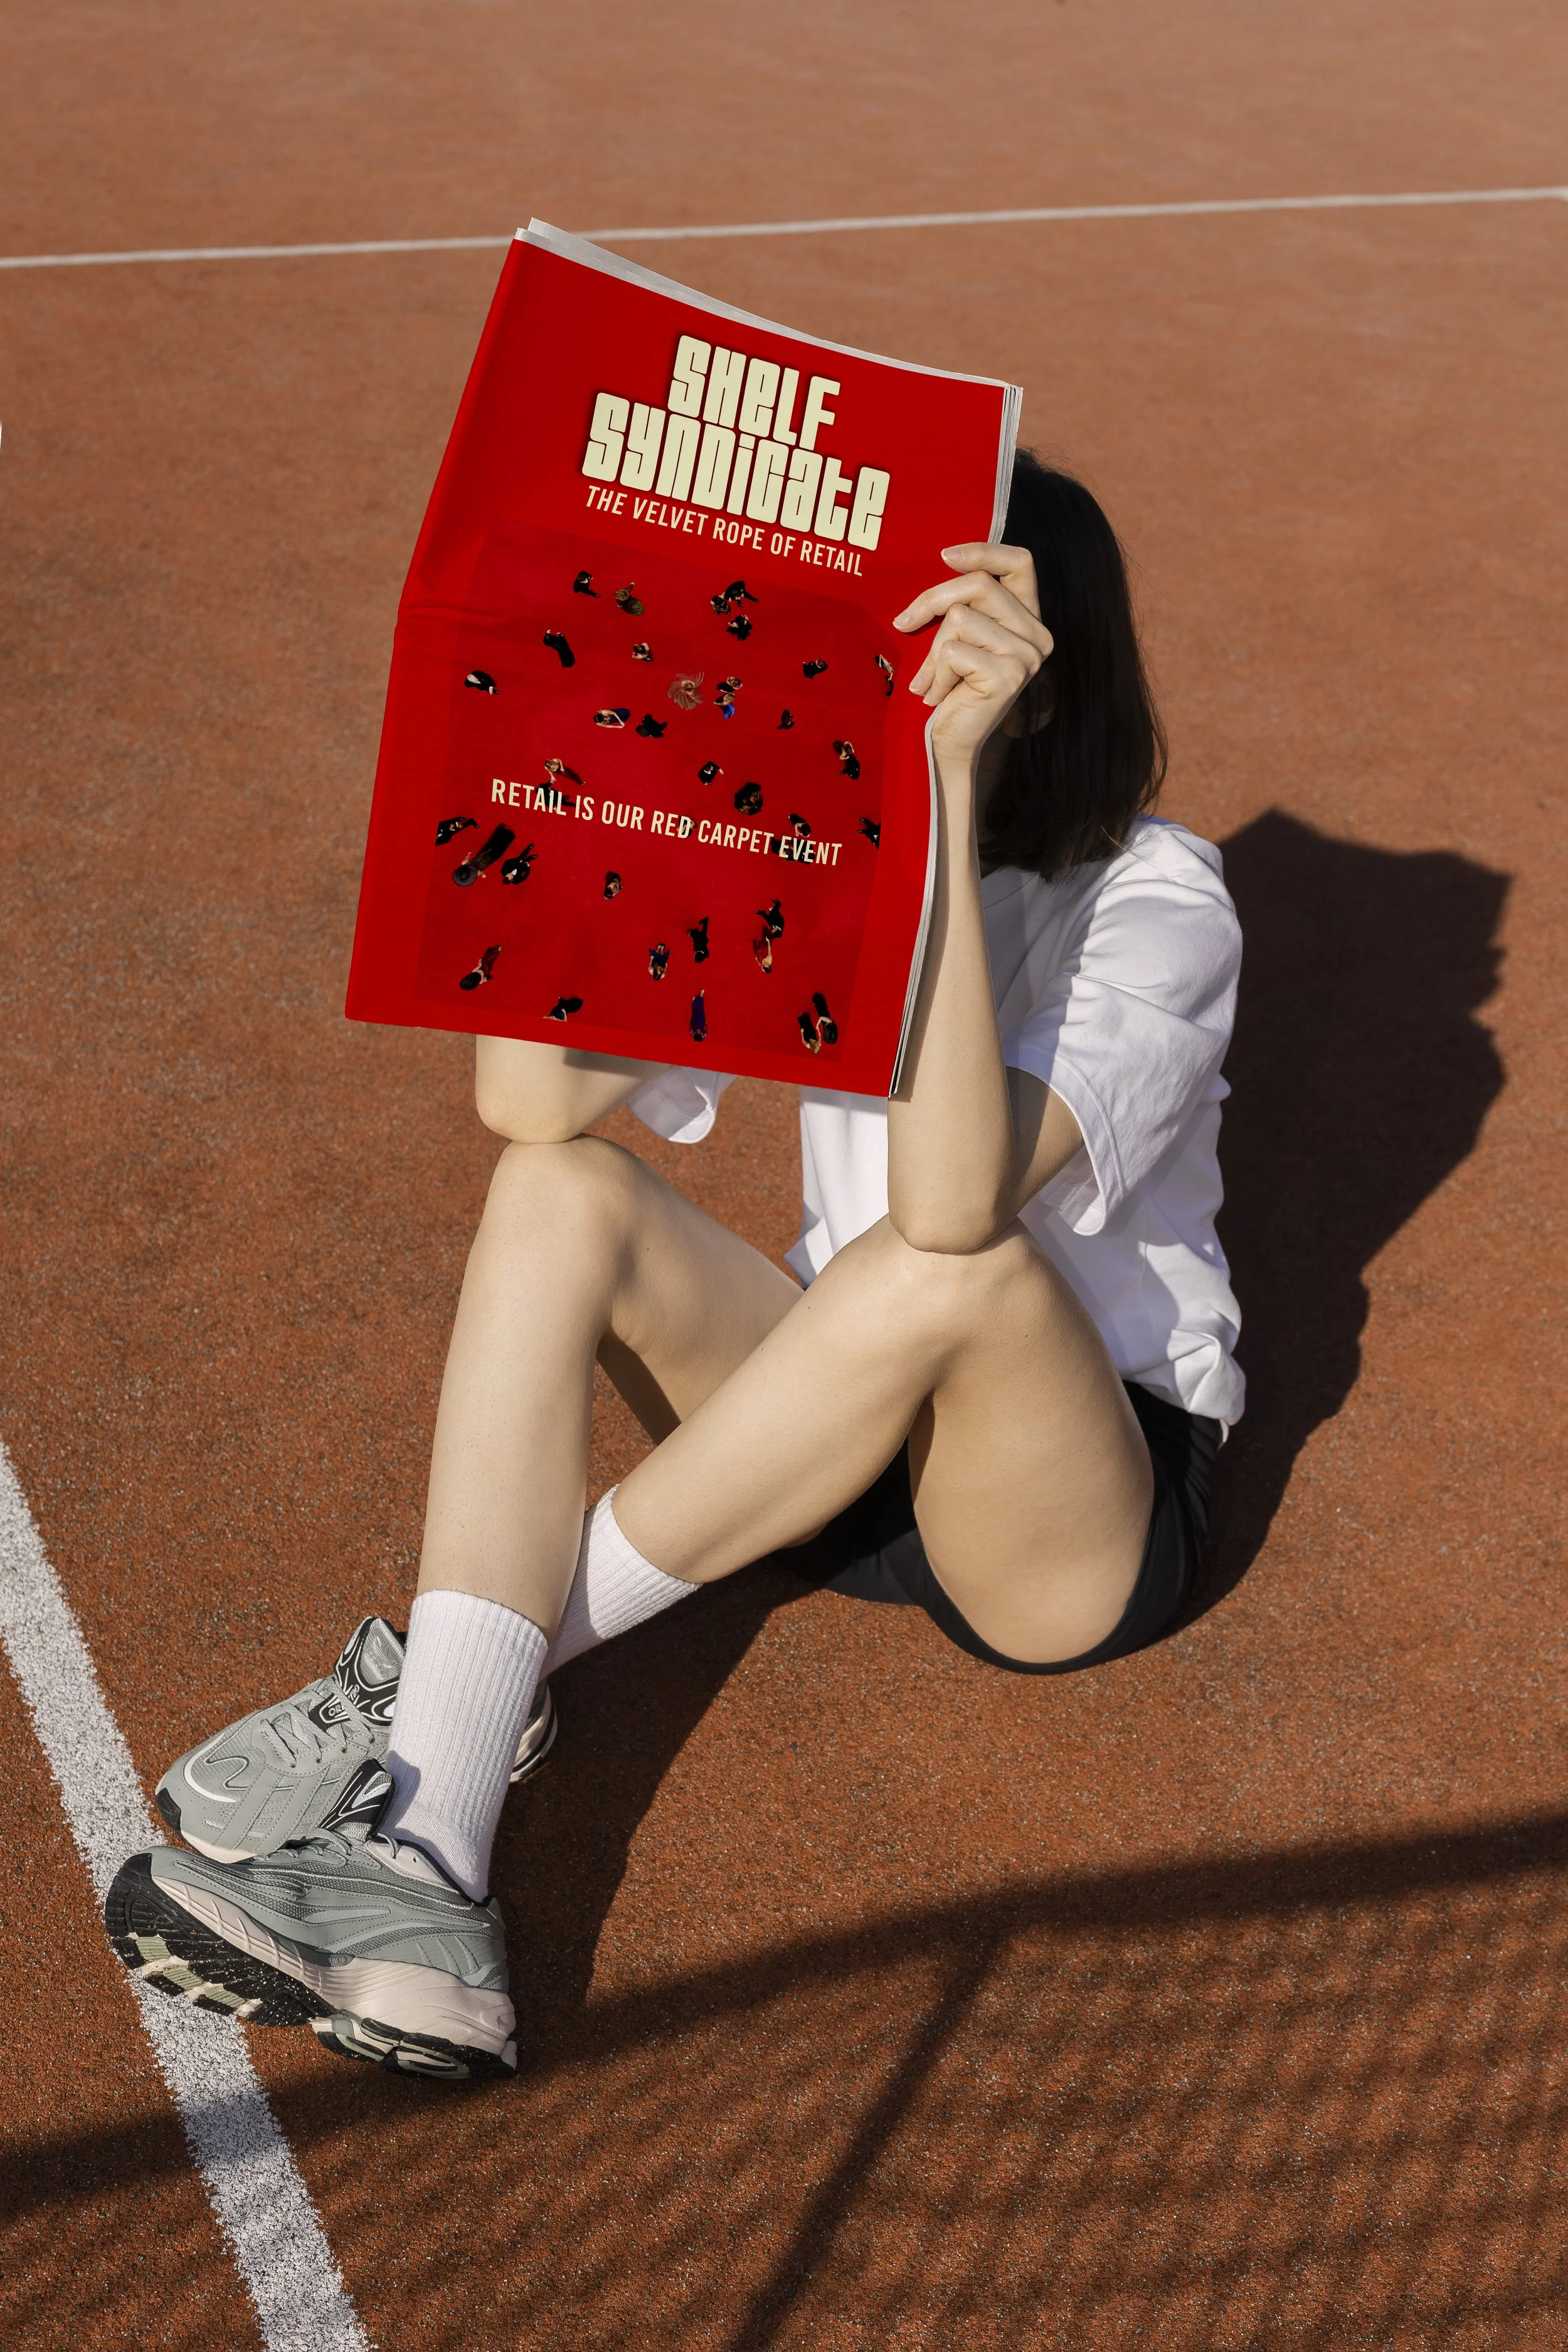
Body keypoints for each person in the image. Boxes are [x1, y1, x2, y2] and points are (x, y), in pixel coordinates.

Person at [106, 455, 1244, 2082]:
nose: (880, 679)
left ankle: (444, 1687)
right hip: (819, 1434)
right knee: (556, 1191)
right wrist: (609, 775)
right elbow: (530, 1101)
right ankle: (429, 1850)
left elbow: (944, 1205)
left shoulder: (1158, 896)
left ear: (1041, 685)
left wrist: (926, 793)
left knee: (953, 1273)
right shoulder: (818, 835)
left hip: (1064, 1496)